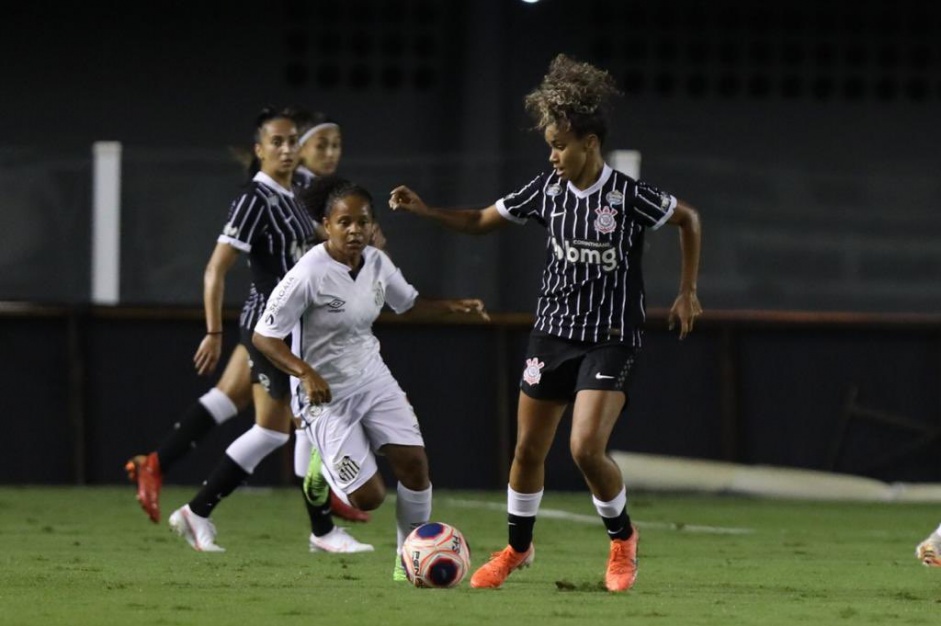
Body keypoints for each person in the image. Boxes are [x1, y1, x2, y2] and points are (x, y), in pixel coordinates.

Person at [389, 53, 702, 592]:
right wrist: (427, 211)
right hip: (552, 332)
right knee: (528, 450)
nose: (553, 156)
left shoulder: (626, 196)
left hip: (609, 336)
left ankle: (622, 542)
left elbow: (688, 219)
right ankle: (517, 548)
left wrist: (687, 291)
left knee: (584, 449)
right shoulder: (546, 191)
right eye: (549, 146)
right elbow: (482, 221)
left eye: (560, 145)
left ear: (589, 143)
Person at [125, 105, 369, 532]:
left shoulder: (299, 190)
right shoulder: (274, 193)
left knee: (232, 398)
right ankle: (319, 517)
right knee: (295, 418)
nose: (327, 153)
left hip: (287, 319)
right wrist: (214, 330)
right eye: (318, 144)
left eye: (334, 145)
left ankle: (158, 465)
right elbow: (221, 265)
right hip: (271, 321)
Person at [252, 176, 489, 580]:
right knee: (368, 498)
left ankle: (407, 559)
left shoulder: (378, 264)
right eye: (344, 222)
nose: (354, 230)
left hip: (372, 377)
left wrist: (453, 306)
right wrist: (305, 373)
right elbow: (264, 335)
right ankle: (320, 471)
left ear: (372, 226)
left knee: (415, 464)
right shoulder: (309, 272)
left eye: (362, 222)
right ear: (327, 225)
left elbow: (408, 305)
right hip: (324, 393)